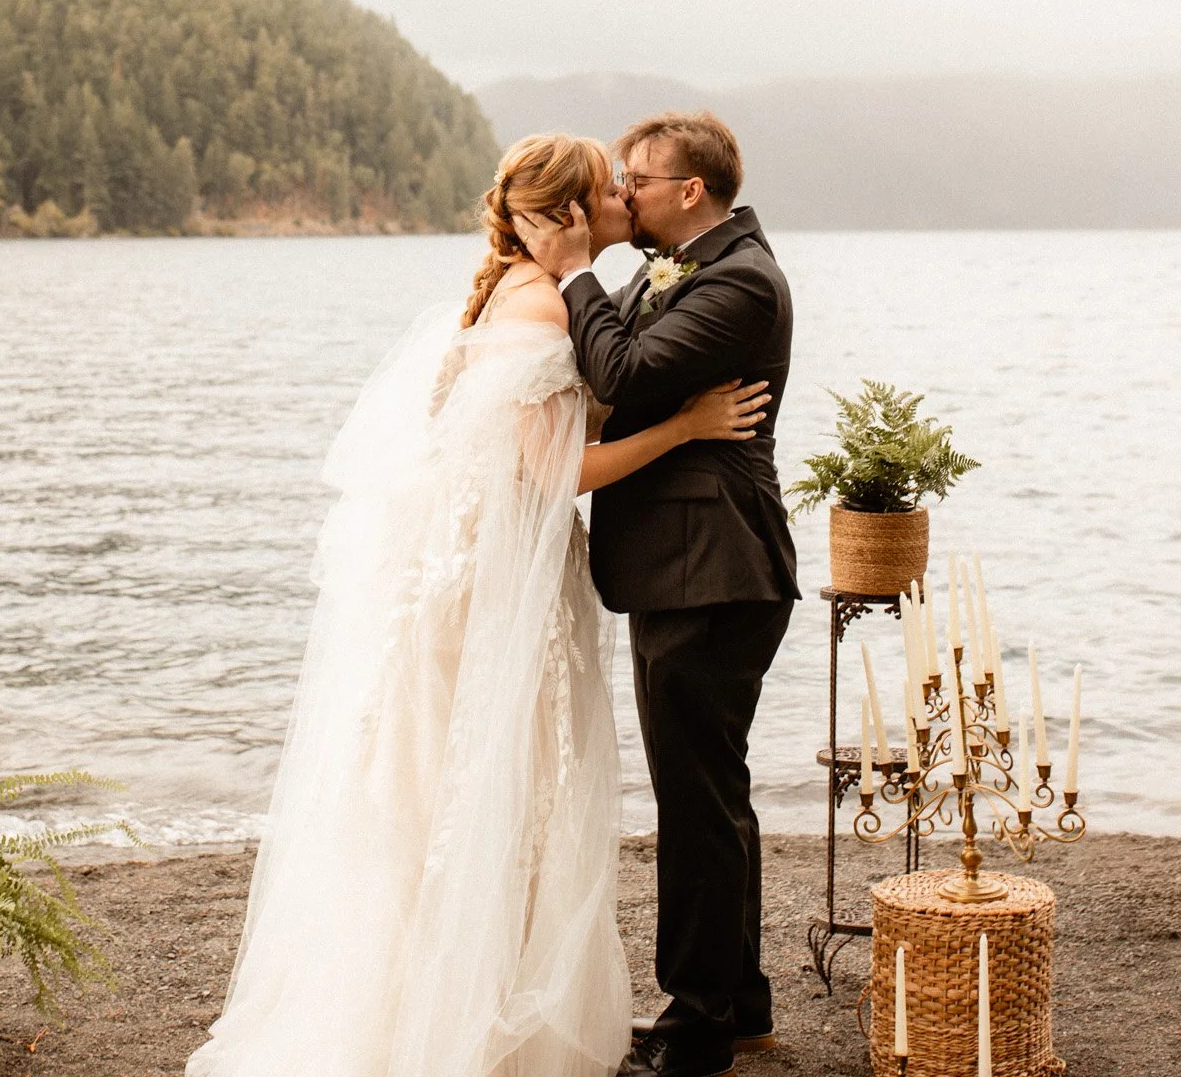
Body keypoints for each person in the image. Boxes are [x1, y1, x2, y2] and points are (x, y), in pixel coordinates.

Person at [188, 131, 771, 1077]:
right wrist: (686, 426)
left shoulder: (519, 293)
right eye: (609, 188)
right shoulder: (545, 307)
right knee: (506, 784)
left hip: (488, 574)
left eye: (633, 184)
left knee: (472, 786)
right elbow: (556, 474)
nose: (626, 196)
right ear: (572, 214)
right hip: (506, 586)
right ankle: (476, 1013)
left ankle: (475, 992)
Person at [513, 111, 796, 1077]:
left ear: (689, 192)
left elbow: (624, 368)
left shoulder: (743, 282)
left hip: (716, 567)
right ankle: (736, 1003)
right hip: (684, 565)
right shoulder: (670, 271)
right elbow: (613, 381)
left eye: (637, 178)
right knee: (708, 791)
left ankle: (701, 1021)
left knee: (697, 795)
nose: (622, 192)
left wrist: (574, 273)